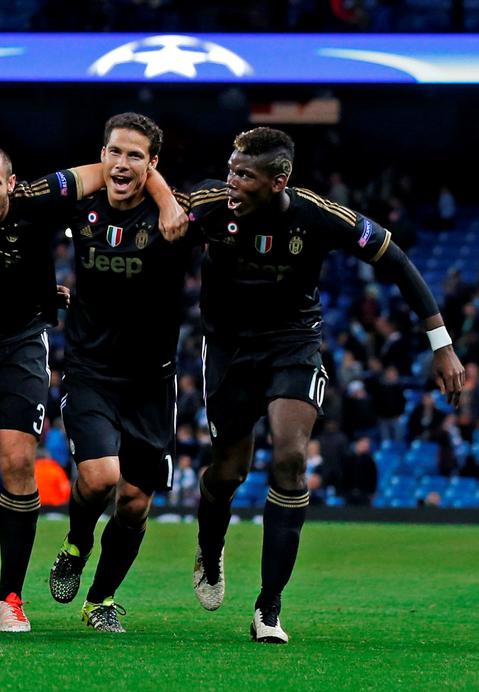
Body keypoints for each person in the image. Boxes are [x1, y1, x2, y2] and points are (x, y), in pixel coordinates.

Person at [188, 127, 465, 643]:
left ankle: (268, 607)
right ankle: (210, 543)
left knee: (290, 457)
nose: (231, 182)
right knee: (229, 469)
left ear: (278, 181)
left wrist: (441, 343)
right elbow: (159, 223)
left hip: (293, 342)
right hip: (227, 349)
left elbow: (395, 258)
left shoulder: (318, 216)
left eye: (244, 175)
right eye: (230, 169)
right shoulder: (207, 204)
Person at [0, 146, 184, 631]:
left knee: (18, 463)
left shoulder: (41, 199)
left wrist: (166, 202)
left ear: (12, 185)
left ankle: (9, 595)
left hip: (20, 345)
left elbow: (112, 169)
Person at [45, 113, 196, 633]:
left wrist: (168, 198)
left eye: (137, 155)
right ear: (101, 154)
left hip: (153, 381)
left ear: (154, 164)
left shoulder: (175, 221)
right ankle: (77, 541)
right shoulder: (81, 206)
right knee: (101, 476)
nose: (122, 163)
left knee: (134, 501)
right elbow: (28, 220)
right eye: (114, 152)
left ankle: (100, 600)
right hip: (90, 370)